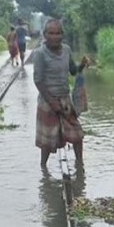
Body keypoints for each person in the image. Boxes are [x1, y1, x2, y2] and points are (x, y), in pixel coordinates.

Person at [33, 19, 89, 170]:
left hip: (64, 100)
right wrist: (52, 102)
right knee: (47, 141)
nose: (55, 37)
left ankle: (80, 166)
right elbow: (38, 81)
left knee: (77, 135)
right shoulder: (39, 54)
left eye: (58, 33)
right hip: (47, 101)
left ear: (62, 35)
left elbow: (72, 70)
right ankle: (43, 170)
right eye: (51, 33)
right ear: (45, 35)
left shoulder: (66, 50)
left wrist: (82, 65)